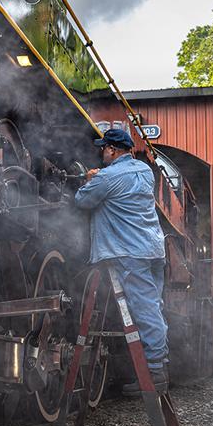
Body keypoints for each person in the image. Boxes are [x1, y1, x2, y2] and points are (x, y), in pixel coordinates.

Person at [74, 128, 169, 394]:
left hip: (130, 251)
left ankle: (154, 376)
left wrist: (90, 179)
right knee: (154, 307)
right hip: (153, 248)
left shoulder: (107, 177)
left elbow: (82, 201)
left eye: (104, 149)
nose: (102, 153)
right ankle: (160, 365)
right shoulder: (144, 171)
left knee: (146, 310)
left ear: (113, 150)